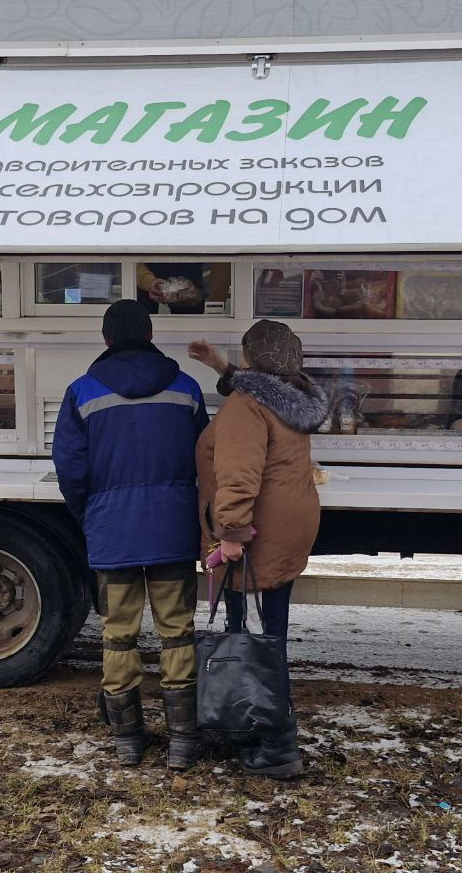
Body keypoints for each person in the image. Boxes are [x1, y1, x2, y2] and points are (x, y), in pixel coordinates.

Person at [52, 299, 209, 770]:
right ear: (150, 335)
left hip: (113, 532)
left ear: (105, 339)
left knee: (119, 634)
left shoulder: (82, 392)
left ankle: (128, 740)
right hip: (172, 529)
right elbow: (206, 456)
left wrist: (93, 512)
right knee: (177, 632)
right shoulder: (186, 388)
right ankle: (183, 741)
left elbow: (69, 467)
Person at [189, 321, 329, 778]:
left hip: (255, 538)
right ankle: (261, 724)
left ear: (251, 360)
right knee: (269, 634)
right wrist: (222, 367)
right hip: (287, 531)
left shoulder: (246, 407)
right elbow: (258, 384)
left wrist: (229, 533)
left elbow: (238, 475)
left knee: (254, 642)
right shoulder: (292, 400)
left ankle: (274, 742)